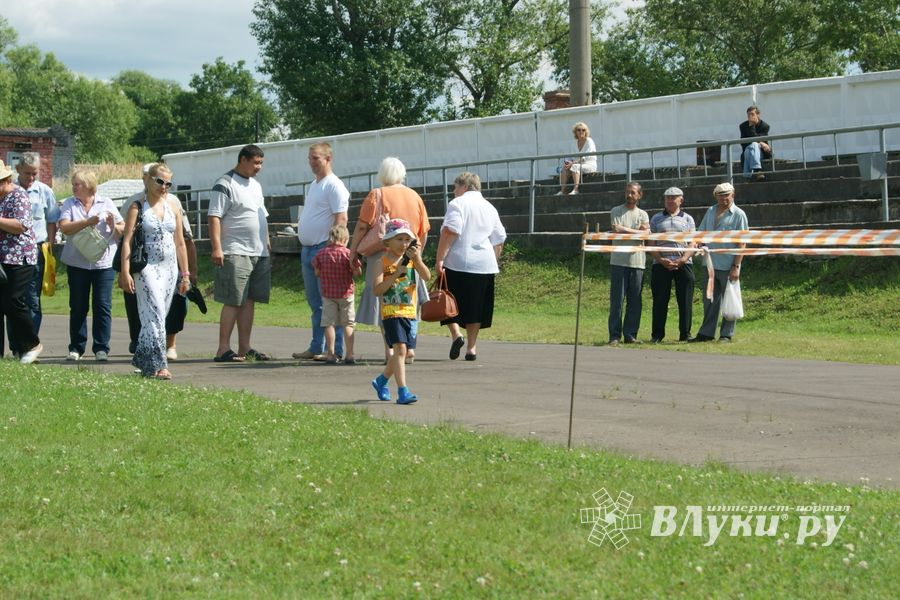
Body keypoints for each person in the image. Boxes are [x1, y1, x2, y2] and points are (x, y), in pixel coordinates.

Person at [348, 156, 430, 363]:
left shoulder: (377, 194)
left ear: (382, 174)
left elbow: (362, 226)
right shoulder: (415, 196)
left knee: (386, 302)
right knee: (410, 301)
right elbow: (424, 230)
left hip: (382, 255)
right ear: (402, 173)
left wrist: (353, 250)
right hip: (410, 253)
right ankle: (409, 346)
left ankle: (390, 351)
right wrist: (416, 250)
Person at [118, 164, 190, 379]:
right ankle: (161, 364)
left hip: (169, 268)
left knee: (158, 315)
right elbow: (127, 241)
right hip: (146, 266)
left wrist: (185, 274)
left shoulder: (173, 208)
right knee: (155, 312)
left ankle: (145, 360)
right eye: (159, 181)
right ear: (147, 180)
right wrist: (125, 271)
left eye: (168, 183)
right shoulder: (137, 207)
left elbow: (180, 243)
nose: (164, 187)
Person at [208, 144, 272, 363]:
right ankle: (223, 348)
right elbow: (214, 216)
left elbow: (261, 214)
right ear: (243, 159)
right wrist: (217, 247)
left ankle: (244, 347)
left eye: (261, 163)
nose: (259, 167)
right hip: (235, 250)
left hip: (258, 251)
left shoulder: (256, 185)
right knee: (234, 300)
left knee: (249, 300)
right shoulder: (224, 183)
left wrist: (266, 240)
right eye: (256, 162)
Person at [434, 172, 507, 361]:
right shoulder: (490, 207)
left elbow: (451, 231)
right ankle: (472, 348)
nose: (453, 191)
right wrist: (495, 260)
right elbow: (499, 239)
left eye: (455, 187)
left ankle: (456, 334)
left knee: (448, 301)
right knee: (476, 307)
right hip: (484, 264)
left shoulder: (457, 204)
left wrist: (440, 258)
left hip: (457, 261)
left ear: (464, 186)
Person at [58, 169, 124, 361]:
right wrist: (87, 222)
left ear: (88, 185)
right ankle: (76, 347)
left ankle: (101, 348)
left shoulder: (107, 203)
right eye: (73, 184)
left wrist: (113, 225)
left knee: (102, 305)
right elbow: (64, 227)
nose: (73, 187)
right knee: (78, 305)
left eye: (76, 184)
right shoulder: (70, 203)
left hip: (103, 264)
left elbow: (122, 230)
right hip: (77, 263)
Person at [294, 142, 350, 361]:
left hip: (323, 250)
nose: (311, 162)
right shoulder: (314, 184)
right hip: (308, 250)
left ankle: (333, 349)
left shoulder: (334, 186)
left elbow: (341, 218)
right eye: (310, 157)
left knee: (329, 302)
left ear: (328, 158)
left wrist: (332, 249)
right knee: (315, 302)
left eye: (315, 158)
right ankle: (317, 346)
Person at [371, 219, 431, 405]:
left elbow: (427, 276)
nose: (404, 244)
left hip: (410, 312)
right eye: (399, 239)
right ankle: (403, 391)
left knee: (403, 353)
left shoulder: (412, 260)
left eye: (407, 239)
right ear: (388, 241)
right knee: (400, 349)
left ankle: (381, 381)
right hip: (391, 312)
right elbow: (377, 290)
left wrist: (418, 259)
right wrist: (396, 274)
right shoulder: (381, 262)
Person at [689, 182, 749, 343]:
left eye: (727, 194)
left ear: (733, 195)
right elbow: (701, 233)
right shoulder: (710, 211)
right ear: (716, 196)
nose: (724, 198)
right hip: (709, 264)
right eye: (721, 195)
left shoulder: (739, 214)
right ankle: (707, 333)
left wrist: (736, 266)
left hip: (729, 264)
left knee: (730, 299)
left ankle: (726, 334)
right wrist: (698, 244)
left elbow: (742, 243)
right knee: (709, 300)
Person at [0, 159, 43, 364]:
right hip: (2, 257)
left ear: (6, 179)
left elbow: (20, 225)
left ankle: (32, 344)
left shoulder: (19, 195)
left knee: (14, 300)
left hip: (20, 257)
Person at [16, 152, 59, 338]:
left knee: (33, 298)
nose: (31, 178)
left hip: (37, 248)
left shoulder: (44, 191)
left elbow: (52, 219)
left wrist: (49, 244)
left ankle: (31, 342)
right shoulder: (10, 189)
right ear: (18, 170)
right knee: (15, 298)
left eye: (35, 173)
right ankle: (18, 345)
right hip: (13, 250)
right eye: (28, 173)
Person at [649, 187, 696, 343]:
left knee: (685, 300)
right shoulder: (656, 218)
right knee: (660, 300)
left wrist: (683, 259)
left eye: (673, 198)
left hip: (684, 263)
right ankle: (657, 335)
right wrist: (661, 259)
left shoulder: (688, 219)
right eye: (667, 198)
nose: (669, 200)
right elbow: (651, 243)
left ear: (680, 200)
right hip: (660, 264)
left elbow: (693, 242)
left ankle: (685, 334)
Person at [608, 182, 650, 346]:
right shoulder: (616, 211)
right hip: (619, 262)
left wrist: (628, 230)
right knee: (617, 300)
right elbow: (616, 231)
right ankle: (614, 335)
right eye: (627, 192)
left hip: (638, 262)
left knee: (635, 300)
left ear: (640, 195)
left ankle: (630, 334)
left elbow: (645, 234)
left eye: (633, 193)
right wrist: (637, 231)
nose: (629, 195)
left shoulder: (643, 214)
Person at [312, 224, 360, 364]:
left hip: (328, 294)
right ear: (345, 239)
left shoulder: (321, 253)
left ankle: (331, 354)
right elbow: (357, 272)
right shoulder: (348, 253)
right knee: (348, 324)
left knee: (329, 324)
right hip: (346, 294)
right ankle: (350, 354)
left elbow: (317, 272)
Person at [557, 122, 597, 195]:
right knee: (564, 168)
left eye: (583, 130)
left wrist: (572, 163)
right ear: (575, 132)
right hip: (576, 164)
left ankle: (575, 190)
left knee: (575, 166)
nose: (581, 131)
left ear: (586, 131)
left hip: (589, 165)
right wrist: (567, 162)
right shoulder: (573, 143)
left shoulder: (589, 141)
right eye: (579, 130)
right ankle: (563, 191)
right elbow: (569, 156)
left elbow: (586, 157)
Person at [739, 105, 771, 181]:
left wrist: (751, 126)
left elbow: (756, 138)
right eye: (748, 115)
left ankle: (747, 176)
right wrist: (761, 142)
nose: (750, 117)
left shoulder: (764, 126)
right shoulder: (743, 126)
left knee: (754, 144)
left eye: (752, 114)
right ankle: (758, 171)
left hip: (761, 152)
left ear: (758, 115)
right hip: (747, 150)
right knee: (751, 147)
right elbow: (743, 143)